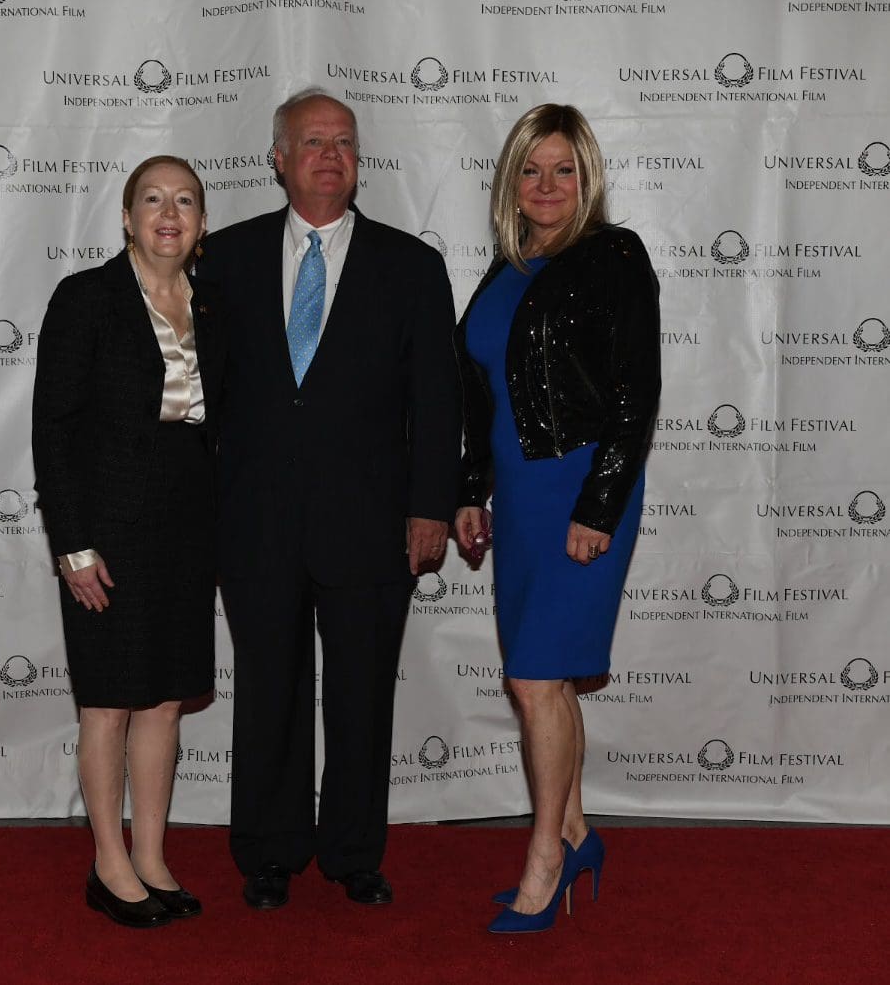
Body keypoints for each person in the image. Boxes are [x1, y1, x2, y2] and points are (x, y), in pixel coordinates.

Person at [198, 88, 462, 909]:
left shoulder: (411, 265)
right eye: (311, 142)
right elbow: (197, 392)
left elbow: (439, 400)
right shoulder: (226, 258)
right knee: (269, 696)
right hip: (255, 524)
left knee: (360, 696)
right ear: (277, 160)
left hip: (373, 525)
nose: (329, 156)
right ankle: (269, 854)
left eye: (344, 142)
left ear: (359, 161)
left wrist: (429, 506)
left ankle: (354, 852)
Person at [453, 105, 661, 934]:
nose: (546, 186)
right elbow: (477, 394)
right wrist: (469, 488)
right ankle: (573, 831)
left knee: (535, 679)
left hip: (578, 487)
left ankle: (544, 854)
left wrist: (598, 505)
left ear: (588, 178)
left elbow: (633, 394)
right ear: (511, 180)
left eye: (563, 170)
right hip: (517, 492)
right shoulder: (505, 267)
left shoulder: (612, 255)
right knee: (544, 678)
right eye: (531, 170)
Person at [32, 156, 221, 928]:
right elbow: (52, 427)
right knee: (109, 701)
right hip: (107, 525)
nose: (167, 213)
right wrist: (73, 543)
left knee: (167, 699)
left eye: (184, 200)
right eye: (152, 199)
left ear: (202, 224)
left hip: (187, 519)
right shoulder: (86, 298)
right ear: (126, 218)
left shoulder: (213, 304)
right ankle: (108, 864)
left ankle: (150, 855)